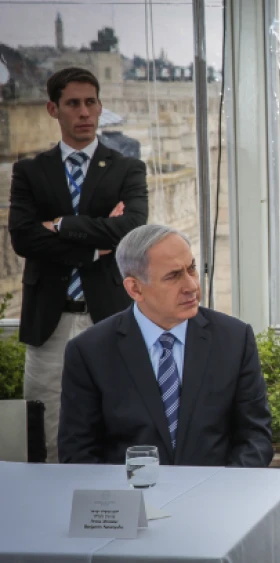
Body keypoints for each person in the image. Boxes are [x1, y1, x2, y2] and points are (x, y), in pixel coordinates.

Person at [8, 67, 148, 462]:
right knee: (47, 429)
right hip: (49, 322)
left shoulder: (126, 168)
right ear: (54, 109)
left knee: (116, 421)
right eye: (73, 104)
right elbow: (24, 238)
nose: (84, 112)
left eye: (91, 102)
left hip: (107, 315)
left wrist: (62, 225)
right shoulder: (31, 172)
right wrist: (95, 244)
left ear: (101, 107)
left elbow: (132, 229)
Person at [58, 225, 274, 467]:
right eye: (173, 276)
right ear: (134, 288)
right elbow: (78, 453)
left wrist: (222, 491)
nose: (191, 285)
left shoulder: (234, 339)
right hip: (131, 498)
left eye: (191, 268)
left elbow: (256, 438)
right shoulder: (89, 351)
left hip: (215, 496)